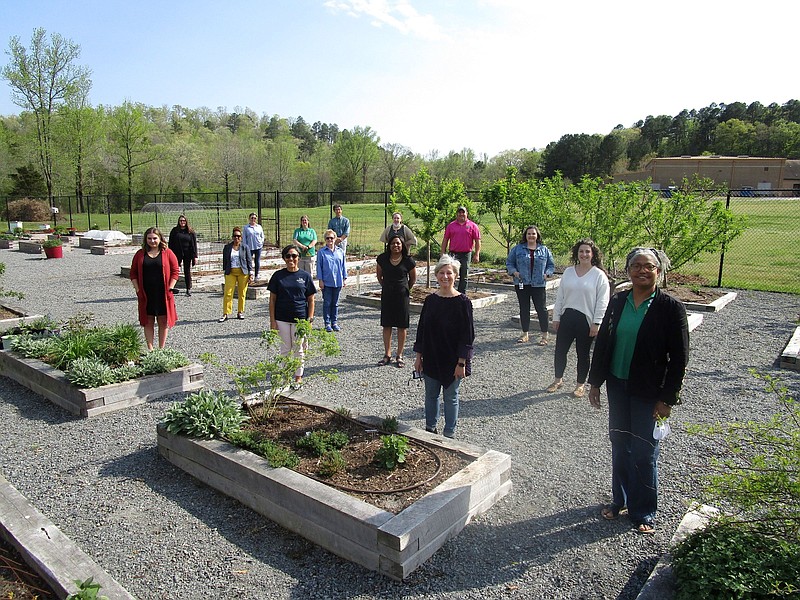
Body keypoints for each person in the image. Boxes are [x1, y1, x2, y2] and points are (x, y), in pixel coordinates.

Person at [587, 247, 689, 535]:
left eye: (649, 266)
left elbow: (679, 358)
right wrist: (595, 382)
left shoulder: (670, 308)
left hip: (648, 391)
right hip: (618, 386)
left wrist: (668, 398)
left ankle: (643, 510)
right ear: (629, 270)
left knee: (644, 453)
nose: (642, 271)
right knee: (620, 446)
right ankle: (620, 500)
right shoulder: (619, 301)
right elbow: (604, 343)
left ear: (659, 271)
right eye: (636, 266)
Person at [413, 255, 475, 438]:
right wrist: (418, 357)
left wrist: (462, 362)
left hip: (454, 359)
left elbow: (468, 335)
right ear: (436, 275)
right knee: (431, 396)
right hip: (432, 356)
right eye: (441, 272)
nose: (445, 276)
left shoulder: (463, 302)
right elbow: (422, 329)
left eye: (449, 273)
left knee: (451, 397)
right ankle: (430, 428)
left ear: (456, 275)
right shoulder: (430, 301)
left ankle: (449, 433)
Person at [547, 238, 610, 397]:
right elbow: (560, 296)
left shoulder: (599, 275)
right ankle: (558, 380)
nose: (584, 254)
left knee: (583, 354)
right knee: (560, 351)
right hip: (567, 317)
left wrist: (597, 323)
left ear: (593, 254)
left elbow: (603, 301)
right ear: (577, 253)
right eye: (581, 251)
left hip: (586, 321)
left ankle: (580, 385)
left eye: (587, 251)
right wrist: (556, 317)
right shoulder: (568, 272)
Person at [268, 244, 317, 389]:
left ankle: (298, 377)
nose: (291, 259)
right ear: (284, 258)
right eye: (288, 256)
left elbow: (311, 299)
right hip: (282, 318)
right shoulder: (278, 276)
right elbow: (272, 300)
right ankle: (285, 376)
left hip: (300, 318)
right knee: (285, 348)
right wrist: (272, 321)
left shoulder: (305, 276)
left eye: (294, 256)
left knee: (298, 349)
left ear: (298, 258)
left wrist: (310, 319)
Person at [130, 227, 179, 350]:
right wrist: (137, 290)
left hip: (163, 293)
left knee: (163, 321)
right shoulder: (140, 254)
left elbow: (175, 271)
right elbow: (133, 273)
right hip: (146, 293)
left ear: (160, 239)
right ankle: (150, 349)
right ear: (145, 239)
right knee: (148, 321)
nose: (152, 241)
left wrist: (170, 287)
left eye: (155, 238)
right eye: (149, 238)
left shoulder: (167, 253)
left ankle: (161, 349)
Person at [506, 225, 555, 345]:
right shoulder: (517, 249)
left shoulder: (544, 250)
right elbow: (509, 263)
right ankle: (525, 334)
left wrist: (547, 274)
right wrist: (514, 272)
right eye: (529, 234)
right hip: (522, 283)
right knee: (524, 308)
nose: (531, 236)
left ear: (537, 235)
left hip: (538, 284)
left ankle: (544, 335)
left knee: (541, 309)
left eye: (533, 234)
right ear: (525, 236)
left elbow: (551, 265)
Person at [376, 236, 417, 367]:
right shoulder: (382, 259)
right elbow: (379, 276)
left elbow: (412, 279)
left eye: (398, 243)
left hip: (402, 296)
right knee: (387, 324)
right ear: (389, 245)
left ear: (402, 245)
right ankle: (387, 354)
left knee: (402, 325)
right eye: (393, 243)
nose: (396, 246)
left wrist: (404, 288)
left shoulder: (408, 260)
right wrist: (387, 286)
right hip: (387, 295)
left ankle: (399, 355)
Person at [441, 206, 481, 294]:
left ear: (467, 214)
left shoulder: (473, 226)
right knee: (451, 273)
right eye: (459, 212)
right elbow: (445, 240)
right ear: (457, 214)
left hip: (466, 254)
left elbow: (477, 241)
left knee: (464, 275)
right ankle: (450, 292)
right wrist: (442, 253)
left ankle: (462, 294)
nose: (461, 214)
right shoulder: (451, 226)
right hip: (453, 254)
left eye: (463, 212)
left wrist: (477, 254)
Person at [219, 227, 254, 322]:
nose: (236, 238)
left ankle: (240, 312)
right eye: (235, 236)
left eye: (238, 236)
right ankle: (226, 313)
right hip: (231, 272)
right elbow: (225, 260)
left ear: (241, 237)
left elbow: (249, 261)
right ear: (232, 237)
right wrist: (225, 271)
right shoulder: (227, 247)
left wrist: (251, 273)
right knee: (228, 293)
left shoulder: (245, 247)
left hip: (243, 272)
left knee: (242, 293)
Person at [316, 229, 347, 332]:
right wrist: (320, 280)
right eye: (327, 238)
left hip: (337, 281)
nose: (330, 240)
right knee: (327, 303)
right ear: (325, 240)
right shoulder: (321, 252)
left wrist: (344, 278)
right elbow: (319, 267)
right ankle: (327, 323)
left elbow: (343, 266)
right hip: (327, 281)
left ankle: (334, 322)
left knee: (335, 303)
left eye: (332, 238)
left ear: (335, 239)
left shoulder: (340, 251)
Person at [167, 215, 198, 296]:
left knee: (187, 271)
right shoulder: (175, 231)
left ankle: (188, 288)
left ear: (186, 221)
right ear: (178, 221)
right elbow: (170, 243)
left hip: (188, 253)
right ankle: (170, 287)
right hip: (176, 253)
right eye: (181, 220)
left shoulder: (190, 231)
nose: (182, 222)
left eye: (184, 220)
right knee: (173, 270)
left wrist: (195, 256)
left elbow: (194, 244)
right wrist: (170, 253)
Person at [242, 213, 265, 280]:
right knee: (248, 260)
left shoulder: (259, 227)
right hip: (249, 247)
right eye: (252, 218)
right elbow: (244, 238)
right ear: (249, 218)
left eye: (254, 218)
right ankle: (249, 274)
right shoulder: (246, 228)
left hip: (258, 246)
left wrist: (261, 243)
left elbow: (262, 236)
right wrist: (245, 246)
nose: (253, 219)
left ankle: (257, 274)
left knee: (257, 261)